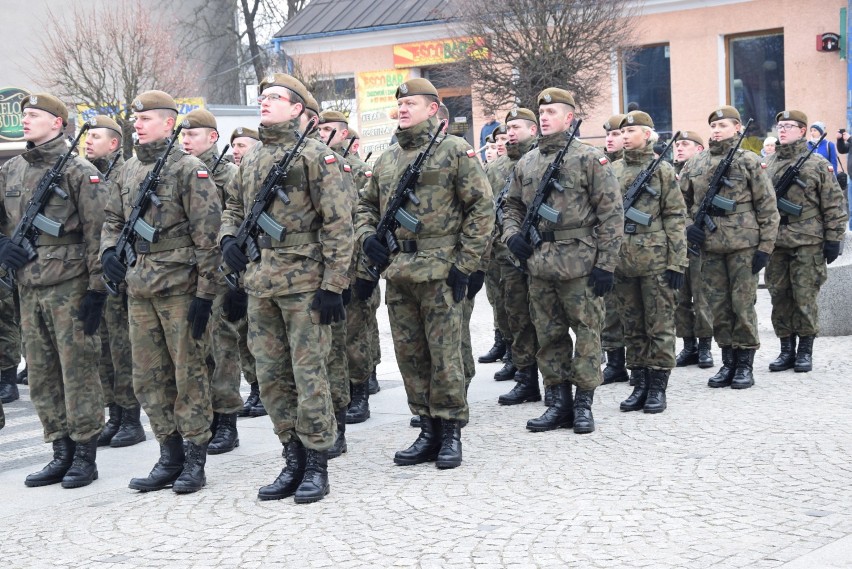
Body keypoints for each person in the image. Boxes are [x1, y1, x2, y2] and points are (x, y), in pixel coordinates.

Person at [220, 74, 353, 502]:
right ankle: (291, 456)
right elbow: (235, 207)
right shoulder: (253, 156)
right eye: (261, 97)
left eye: (274, 97)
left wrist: (334, 284)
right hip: (261, 281)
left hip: (306, 283)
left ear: (297, 109)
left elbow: (338, 223)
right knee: (271, 376)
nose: (264, 102)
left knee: (309, 373)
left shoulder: (317, 157)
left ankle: (317, 462)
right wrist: (229, 241)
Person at [355, 78, 493, 469]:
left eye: (411, 103)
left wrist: (465, 264)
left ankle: (450, 431)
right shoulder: (386, 159)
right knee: (410, 355)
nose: (402, 109)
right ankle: (427, 427)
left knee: (445, 354)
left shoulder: (454, 151)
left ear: (433, 108)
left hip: (440, 271)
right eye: (399, 103)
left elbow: (482, 210)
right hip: (400, 272)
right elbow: (365, 207)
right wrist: (368, 238)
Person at [101, 90, 222, 494]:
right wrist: (109, 254)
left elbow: (209, 237)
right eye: (136, 118)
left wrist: (206, 294)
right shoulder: (129, 169)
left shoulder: (189, 170)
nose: (138, 124)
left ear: (169, 123)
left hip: (180, 287)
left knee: (188, 374)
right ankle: (168, 453)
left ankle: (193, 457)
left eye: (147, 118)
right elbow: (113, 218)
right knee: (149, 377)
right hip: (139, 287)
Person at [0, 93, 106, 488]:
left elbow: (99, 234)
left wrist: (97, 290)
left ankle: (84, 454)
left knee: (77, 371)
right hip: (28, 286)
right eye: (24, 114)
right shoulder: (10, 170)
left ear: (58, 123)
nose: (25, 120)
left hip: (71, 286)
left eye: (34, 115)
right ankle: (59, 450)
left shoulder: (79, 172)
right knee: (42, 374)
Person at [503, 88, 623, 434]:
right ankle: (558, 403)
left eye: (552, 111)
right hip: (540, 265)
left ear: (569, 118)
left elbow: (611, 214)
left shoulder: (589, 159)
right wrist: (512, 236)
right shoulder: (527, 161)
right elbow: (512, 206)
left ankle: (583, 404)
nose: (544, 117)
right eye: (542, 112)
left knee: (587, 334)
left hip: (581, 263)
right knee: (549, 335)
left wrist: (607, 264)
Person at [680, 106, 779, 389]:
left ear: (737, 128)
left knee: (742, 304)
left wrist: (765, 247)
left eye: (722, 125)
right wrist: (690, 227)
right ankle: (728, 361)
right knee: (718, 306)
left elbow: (767, 206)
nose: (716, 131)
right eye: (713, 126)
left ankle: (745, 364)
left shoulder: (749, 161)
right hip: (709, 246)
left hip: (743, 245)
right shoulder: (695, 164)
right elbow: (678, 204)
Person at [181, 108, 247, 455]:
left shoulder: (229, 174)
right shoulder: (180, 172)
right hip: (191, 273)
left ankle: (227, 421)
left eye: (193, 135)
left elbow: (243, 226)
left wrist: (239, 284)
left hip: (223, 273)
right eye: (184, 135)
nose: (186, 141)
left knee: (223, 348)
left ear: (212, 137)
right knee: (196, 348)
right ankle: (202, 417)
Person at [611, 111, 687, 414]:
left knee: (659, 324)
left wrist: (677, 262)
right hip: (622, 259)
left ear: (648, 134)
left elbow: (675, 217)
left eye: (632, 131)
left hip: (656, 259)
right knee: (632, 325)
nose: (625, 136)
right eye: (623, 131)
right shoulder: (612, 170)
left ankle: (657, 386)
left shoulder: (663, 171)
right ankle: (639, 382)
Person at [764, 110, 847, 373]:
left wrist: (833, 239)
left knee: (805, 296)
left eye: (789, 126)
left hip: (808, 241)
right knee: (779, 296)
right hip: (776, 242)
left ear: (802, 131)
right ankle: (786, 349)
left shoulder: (817, 164)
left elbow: (834, 204)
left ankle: (804, 351)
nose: (783, 130)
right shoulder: (769, 162)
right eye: (780, 126)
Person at [83, 115, 146, 449]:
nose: (88, 141)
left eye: (95, 136)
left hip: (122, 272)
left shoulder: (125, 172)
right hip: (96, 271)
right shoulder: (83, 173)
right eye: (87, 136)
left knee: (124, 349)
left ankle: (131, 417)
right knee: (105, 348)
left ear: (114, 143)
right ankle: (115, 414)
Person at [493, 108, 545, 406]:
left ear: (532, 130)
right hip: (507, 253)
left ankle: (556, 382)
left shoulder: (543, 161)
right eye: (508, 127)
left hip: (542, 253)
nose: (511, 132)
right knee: (516, 315)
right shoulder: (496, 167)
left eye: (517, 127)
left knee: (547, 318)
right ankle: (526, 377)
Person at [672, 130, 713, 369]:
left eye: (685, 144)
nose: (679, 148)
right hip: (676, 242)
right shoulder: (667, 172)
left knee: (702, 296)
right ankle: (689, 345)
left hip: (700, 241)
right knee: (680, 297)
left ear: (699, 149)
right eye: (677, 144)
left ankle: (705, 346)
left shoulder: (705, 172)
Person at [599, 114, 629, 385]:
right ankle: (615, 361)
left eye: (617, 134)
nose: (610, 139)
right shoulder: (602, 165)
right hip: (606, 247)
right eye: (608, 135)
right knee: (609, 307)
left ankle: (640, 363)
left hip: (634, 247)